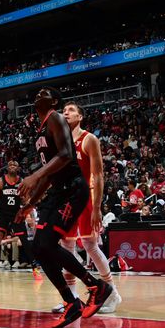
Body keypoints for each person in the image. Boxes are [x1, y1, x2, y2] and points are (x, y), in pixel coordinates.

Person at [17, 86, 113, 328]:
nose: (39, 93)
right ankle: (72, 303)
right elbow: (50, 176)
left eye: (46, 92)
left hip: (73, 189)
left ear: (55, 101)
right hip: (58, 191)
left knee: (49, 244)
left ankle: (97, 286)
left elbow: (66, 156)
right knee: (39, 248)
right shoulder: (40, 129)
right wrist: (30, 204)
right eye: (36, 92)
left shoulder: (56, 118)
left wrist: (32, 176)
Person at [52, 102, 122, 313]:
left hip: (86, 197)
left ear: (80, 116)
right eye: (63, 110)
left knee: (90, 245)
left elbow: (99, 174)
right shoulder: (60, 142)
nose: (66, 112)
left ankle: (113, 294)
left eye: (71, 110)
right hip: (67, 199)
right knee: (67, 248)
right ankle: (71, 299)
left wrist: (97, 206)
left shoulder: (89, 139)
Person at [0, 160, 37, 281]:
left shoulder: (22, 182)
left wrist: (27, 212)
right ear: (7, 168)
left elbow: (26, 200)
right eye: (10, 165)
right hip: (2, 214)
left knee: (24, 239)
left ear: (18, 168)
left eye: (15, 165)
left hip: (16, 214)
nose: (12, 166)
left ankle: (35, 267)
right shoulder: (0, 181)